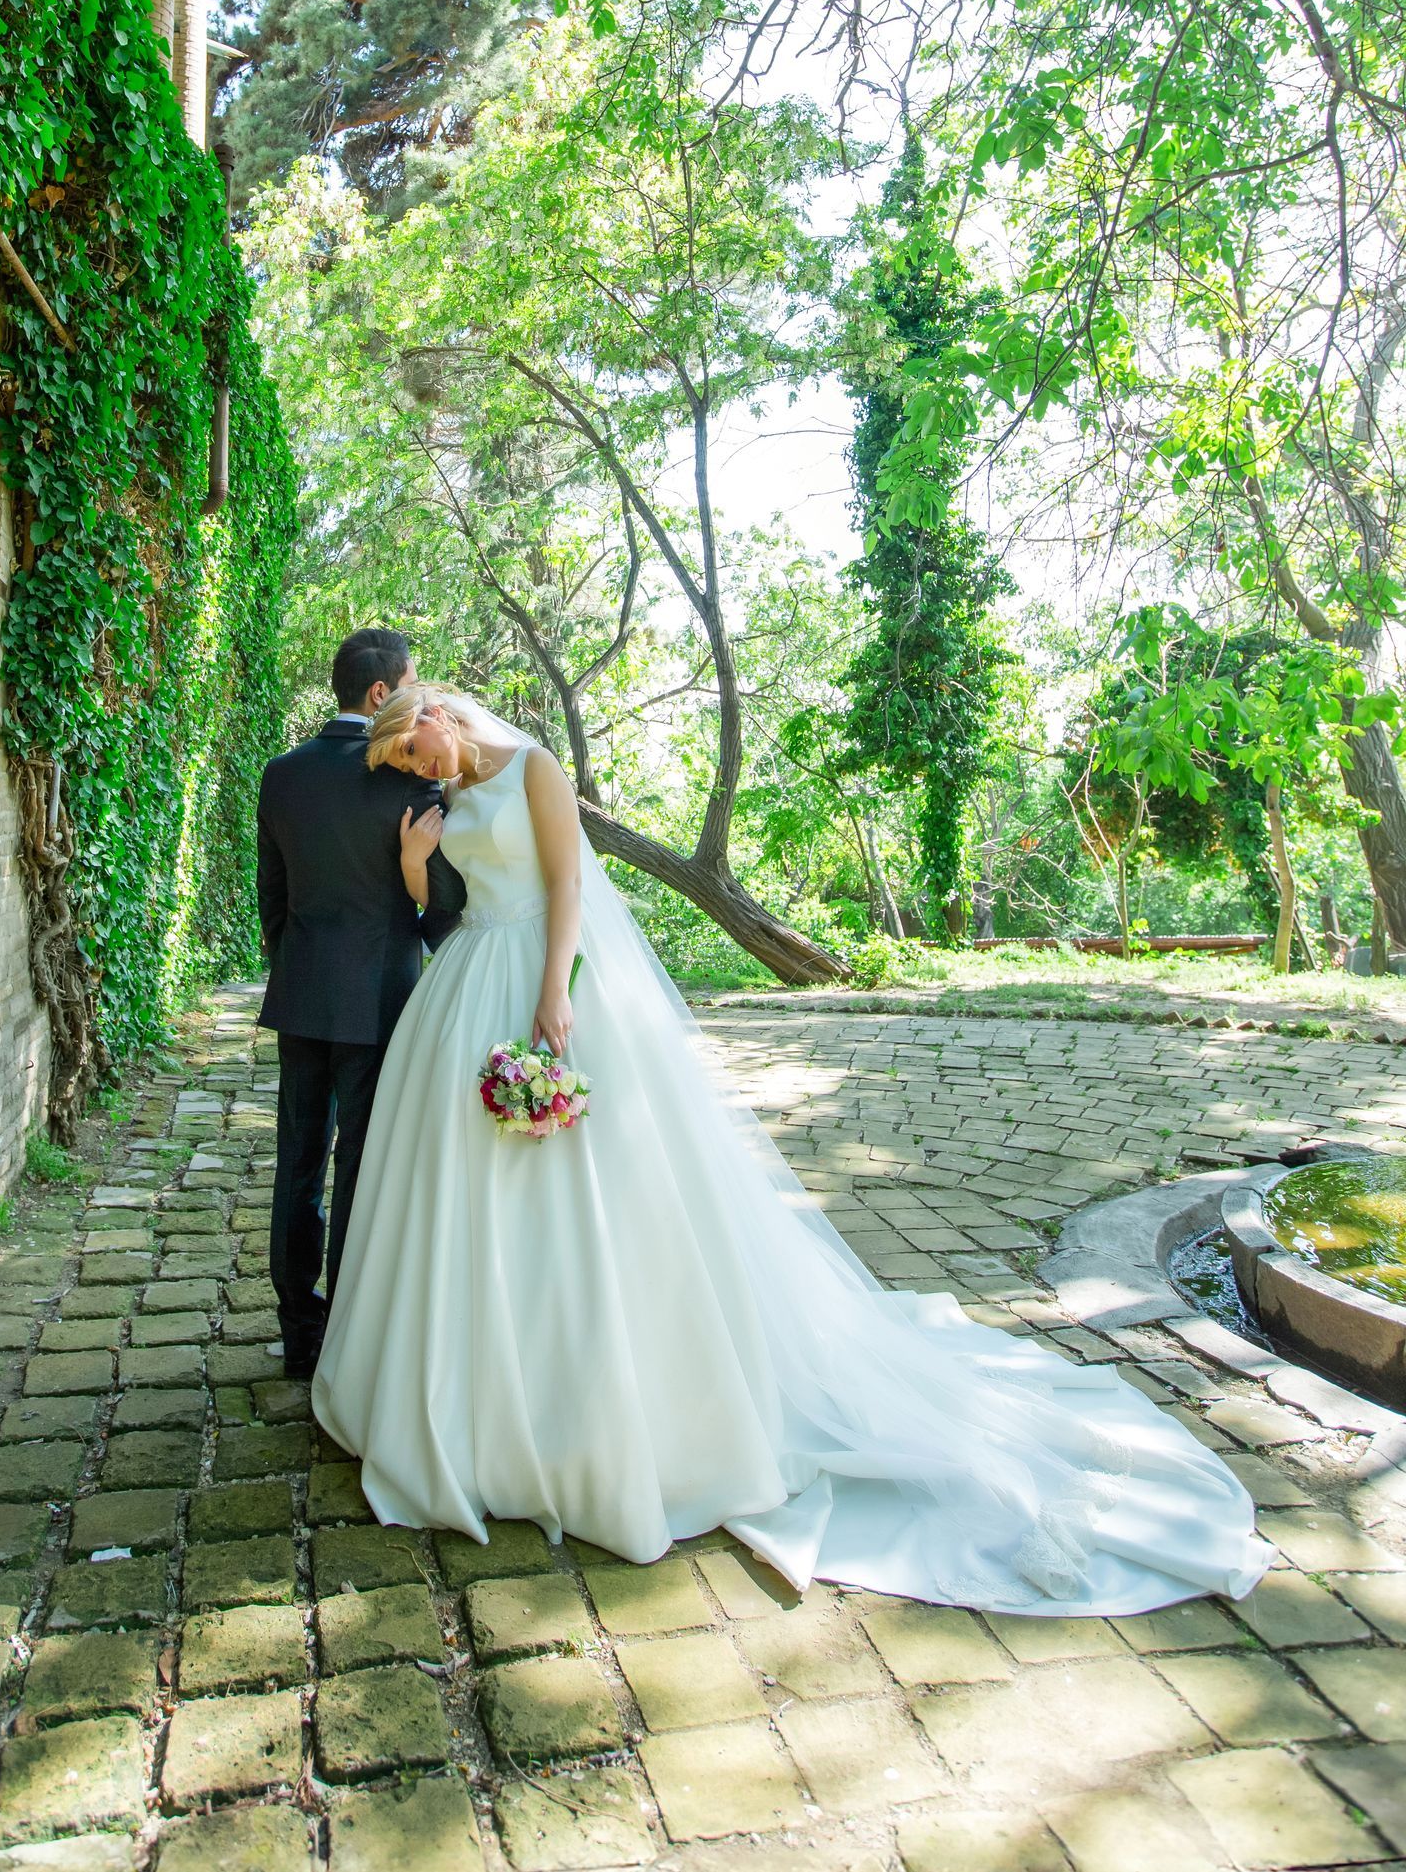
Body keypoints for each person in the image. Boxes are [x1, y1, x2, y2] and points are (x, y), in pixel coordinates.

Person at [314, 685, 1274, 1615]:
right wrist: (413, 864)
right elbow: (445, 912)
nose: (414, 769)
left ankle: (608, 1412)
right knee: (470, 1198)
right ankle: (475, 1399)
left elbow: (568, 882)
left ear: (434, 716)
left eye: (413, 751)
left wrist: (555, 990)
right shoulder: (443, 803)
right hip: (469, 982)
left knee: (593, 1189)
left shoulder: (533, 770)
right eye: (402, 764)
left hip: (543, 977)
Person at [256, 631, 467, 1378]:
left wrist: (297, 970)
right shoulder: (411, 777)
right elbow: (442, 911)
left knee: (298, 1162)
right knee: (364, 1166)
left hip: (302, 995)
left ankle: (298, 1331)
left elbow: (272, 903)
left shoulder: (281, 774)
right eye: (413, 684)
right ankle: (347, 1327)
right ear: (381, 694)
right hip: (382, 999)